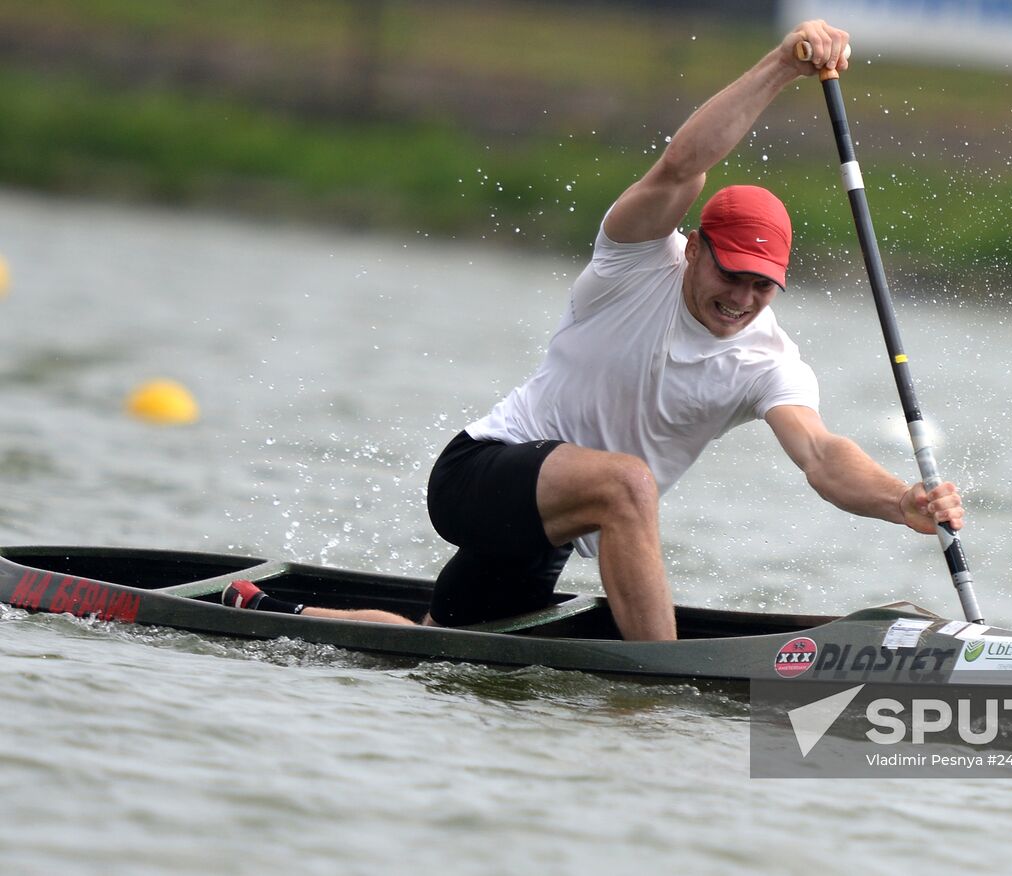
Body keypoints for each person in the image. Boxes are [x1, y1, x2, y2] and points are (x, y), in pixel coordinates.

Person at [224, 19, 964, 639]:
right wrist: (779, 66)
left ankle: (267, 613)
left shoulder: (768, 361)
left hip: (550, 535)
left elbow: (823, 455)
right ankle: (659, 686)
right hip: (480, 474)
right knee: (626, 485)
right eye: (728, 272)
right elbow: (683, 162)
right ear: (695, 247)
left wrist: (901, 502)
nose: (739, 298)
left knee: (440, 645)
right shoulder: (635, 261)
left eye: (760, 286)